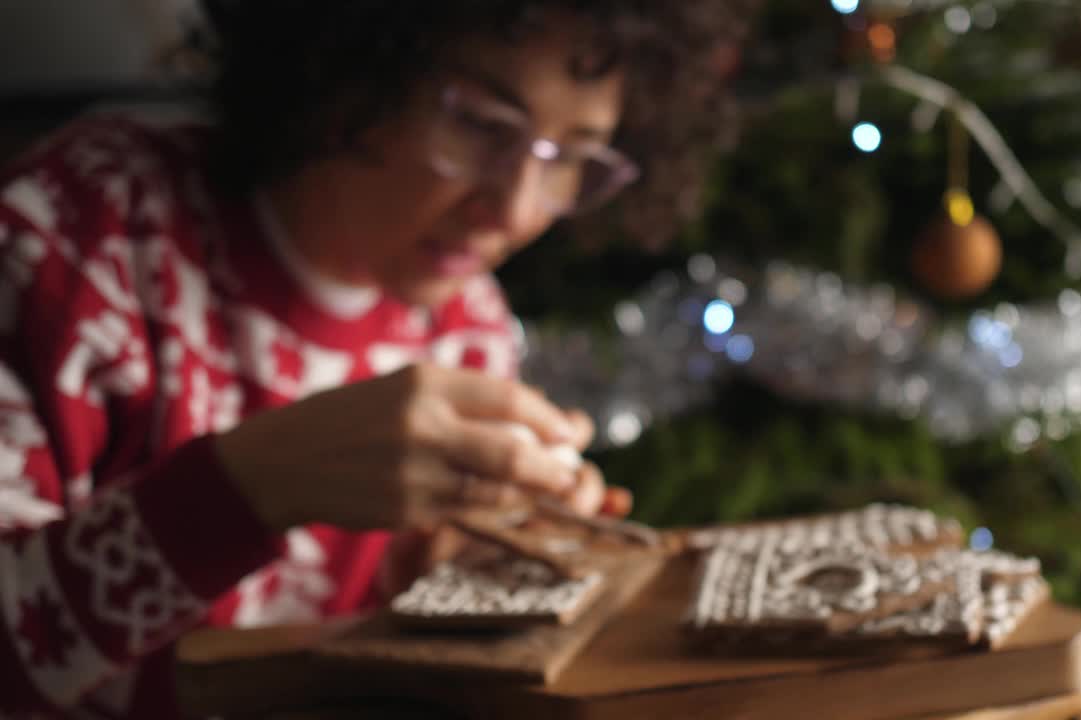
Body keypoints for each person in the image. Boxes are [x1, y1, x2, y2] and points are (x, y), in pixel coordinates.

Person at [0, 1, 749, 715]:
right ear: (345, 63)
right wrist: (249, 486)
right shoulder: (81, 236)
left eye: (573, 157)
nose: (518, 209)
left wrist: (444, 577)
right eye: (483, 125)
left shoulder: (470, 323)